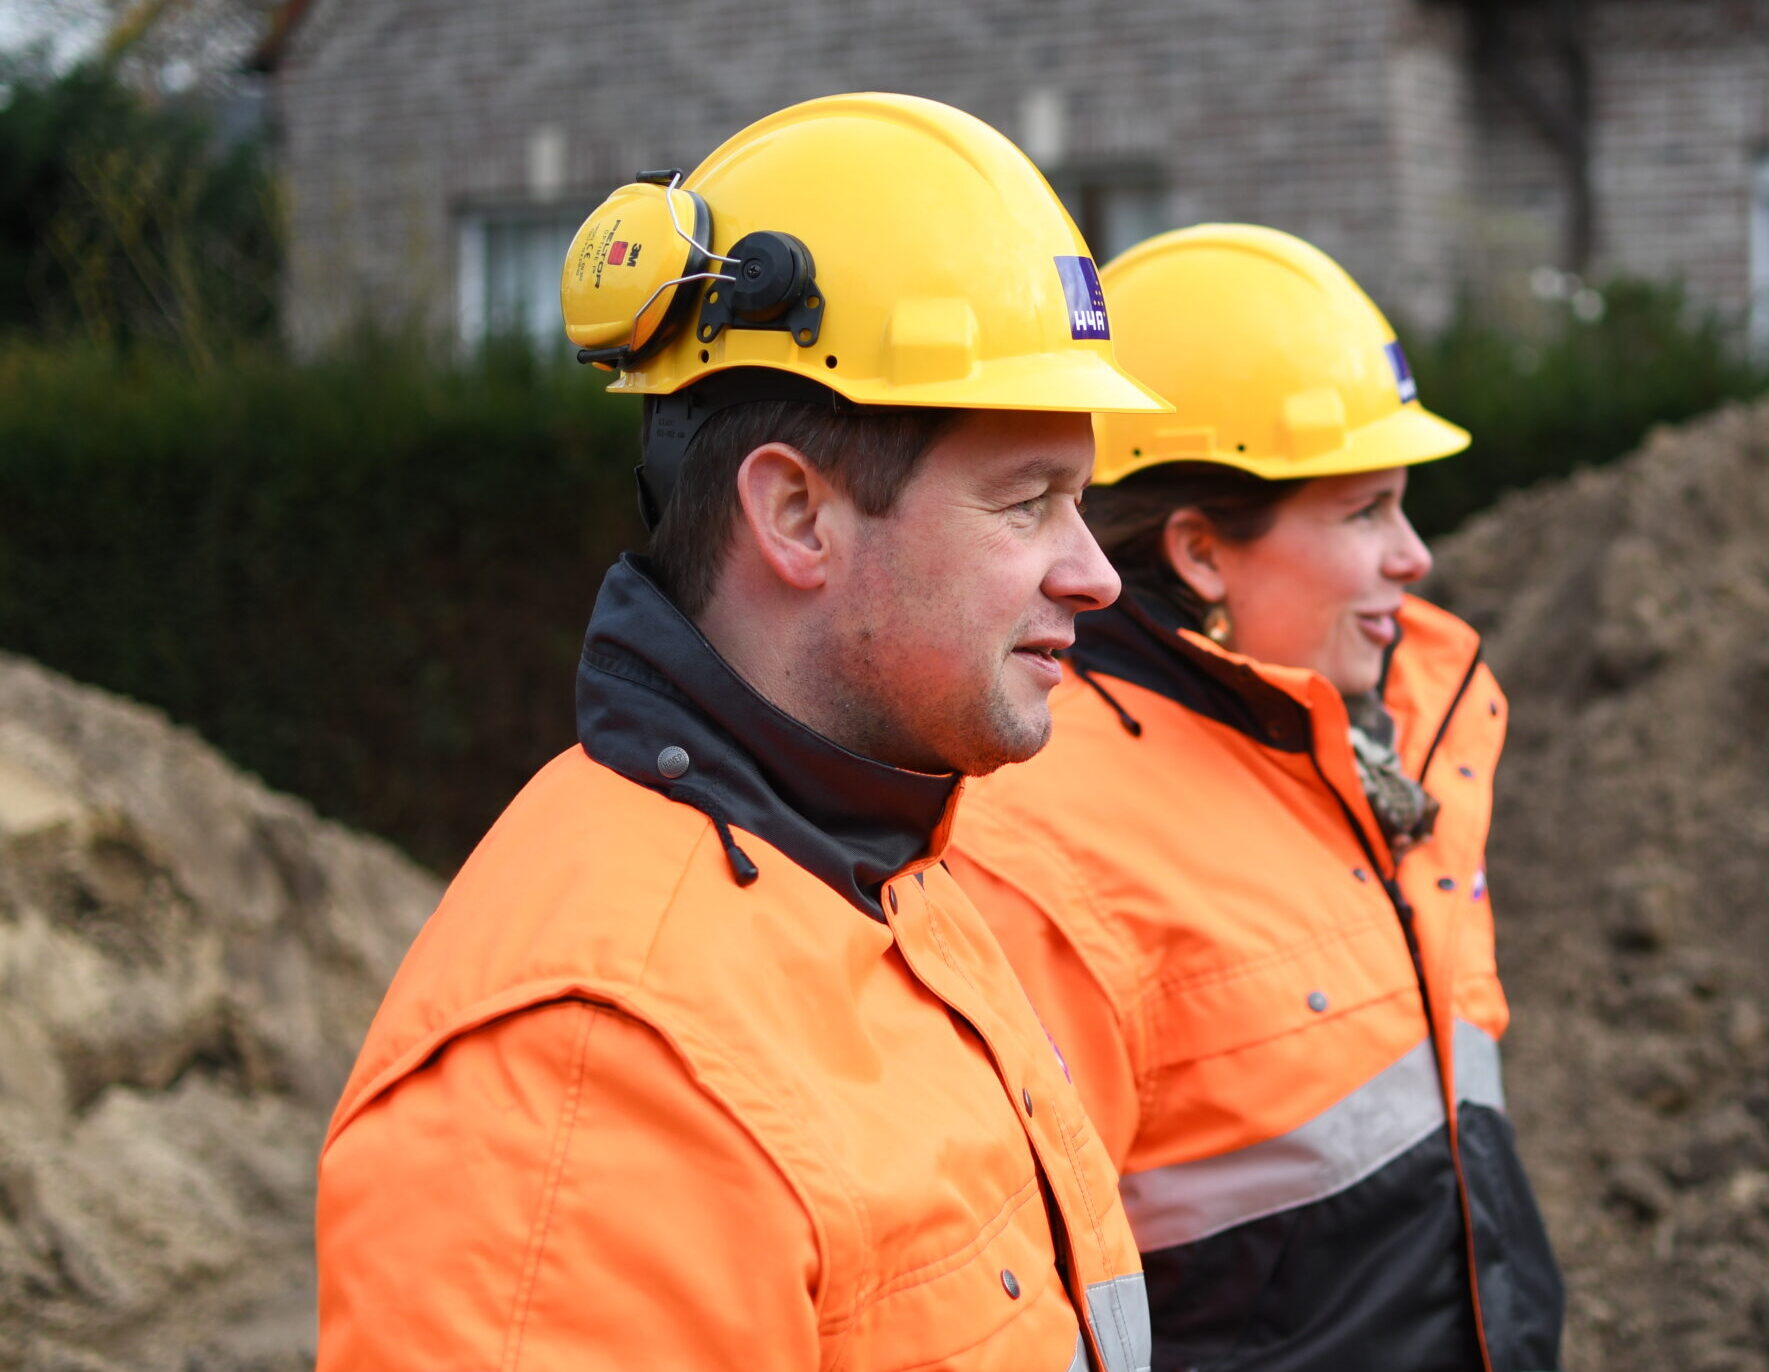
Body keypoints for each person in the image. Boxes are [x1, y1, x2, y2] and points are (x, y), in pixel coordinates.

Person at [314, 93, 1167, 1372]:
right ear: (796, 515)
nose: (1097, 573)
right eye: (1028, 502)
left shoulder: (882, 865)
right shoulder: (591, 1067)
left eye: (1081, 500)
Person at [949, 224, 1566, 1372]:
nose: (1415, 555)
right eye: (1365, 511)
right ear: (1201, 552)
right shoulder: (1043, 836)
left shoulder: (1398, 741)